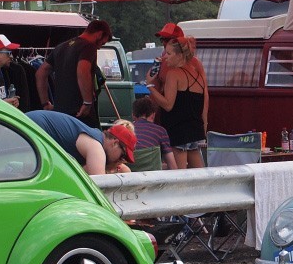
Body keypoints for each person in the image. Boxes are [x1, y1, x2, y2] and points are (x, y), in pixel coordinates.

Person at [35, 18, 112, 128]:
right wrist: (87, 102)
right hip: (79, 112)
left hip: (60, 112)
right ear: (99, 34)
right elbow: (82, 71)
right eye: (102, 43)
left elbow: (41, 73)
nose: (99, 47)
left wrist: (45, 103)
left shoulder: (61, 47)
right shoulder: (88, 46)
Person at [147, 36, 208, 169]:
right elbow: (204, 103)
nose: (165, 58)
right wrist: (204, 126)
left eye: (169, 54)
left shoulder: (174, 74)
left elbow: (168, 105)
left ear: (179, 55)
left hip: (178, 131)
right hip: (195, 130)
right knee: (199, 173)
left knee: (178, 175)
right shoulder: (198, 75)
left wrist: (150, 87)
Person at [27, 110, 136, 176]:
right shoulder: (96, 148)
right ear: (115, 143)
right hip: (31, 128)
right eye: (122, 156)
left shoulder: (94, 137)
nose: (121, 161)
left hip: (30, 126)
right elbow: (100, 187)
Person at [131, 96, 177, 169]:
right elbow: (173, 166)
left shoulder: (126, 129)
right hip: (152, 173)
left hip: (130, 173)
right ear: (153, 115)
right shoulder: (161, 131)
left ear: (133, 115)